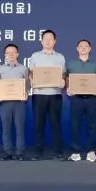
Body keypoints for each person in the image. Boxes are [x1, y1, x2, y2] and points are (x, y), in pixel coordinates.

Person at [29, 30, 66, 160]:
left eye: (51, 39)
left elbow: (63, 74)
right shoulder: (35, 56)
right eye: (45, 38)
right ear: (41, 41)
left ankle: (58, 151)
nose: (48, 41)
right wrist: (32, 80)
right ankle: (38, 151)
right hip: (39, 94)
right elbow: (31, 73)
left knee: (55, 124)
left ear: (54, 41)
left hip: (55, 94)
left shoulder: (60, 57)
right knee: (39, 124)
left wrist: (63, 81)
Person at [66, 39, 96, 162]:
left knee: (92, 125)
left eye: (86, 46)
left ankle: (91, 152)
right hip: (76, 99)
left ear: (90, 49)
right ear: (77, 49)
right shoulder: (71, 64)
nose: (83, 48)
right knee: (75, 125)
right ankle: (75, 152)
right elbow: (66, 78)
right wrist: (68, 87)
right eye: (81, 46)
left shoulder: (95, 65)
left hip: (91, 98)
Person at [0, 43, 28, 161]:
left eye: (13, 52)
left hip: (19, 103)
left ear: (17, 54)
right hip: (4, 103)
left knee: (20, 128)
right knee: (6, 129)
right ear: (5, 55)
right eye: (8, 53)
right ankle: (8, 152)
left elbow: (27, 85)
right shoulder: (0, 69)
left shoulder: (23, 69)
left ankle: (20, 152)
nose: (11, 55)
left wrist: (25, 93)